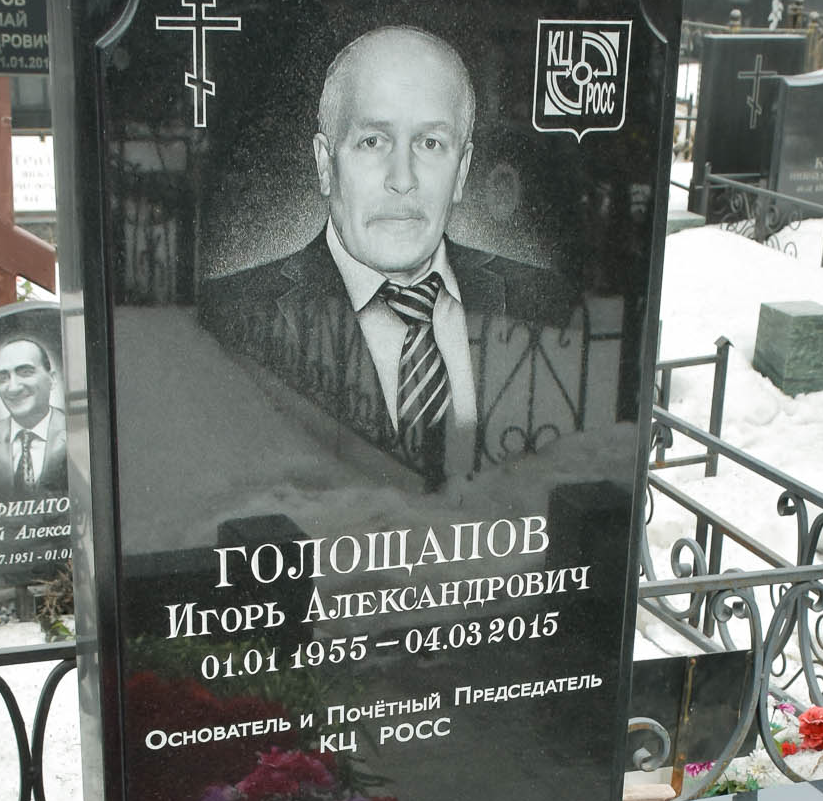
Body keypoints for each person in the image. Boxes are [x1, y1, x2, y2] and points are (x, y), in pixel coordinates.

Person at [199, 25, 570, 476]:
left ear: (462, 171)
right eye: (373, 141)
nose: (403, 179)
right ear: (325, 164)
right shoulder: (231, 313)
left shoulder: (545, 302)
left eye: (430, 143)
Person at [0, 334, 67, 493]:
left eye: (25, 372)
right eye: (3, 378)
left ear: (52, 379)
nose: (13, 388)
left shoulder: (79, 430)